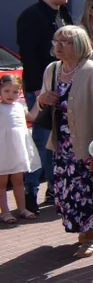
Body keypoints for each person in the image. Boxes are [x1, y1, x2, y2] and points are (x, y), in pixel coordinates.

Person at [38, 26, 93, 257]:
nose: (58, 46)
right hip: (61, 146)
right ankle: (82, 234)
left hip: (85, 146)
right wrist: (42, 99)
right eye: (56, 41)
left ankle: (91, 237)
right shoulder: (52, 69)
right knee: (66, 193)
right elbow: (39, 104)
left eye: (66, 42)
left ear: (79, 45)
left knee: (86, 193)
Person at [17, 0, 72, 214]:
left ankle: (54, 189)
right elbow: (28, 55)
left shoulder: (63, 14)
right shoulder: (31, 16)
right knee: (40, 142)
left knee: (57, 141)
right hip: (41, 89)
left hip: (63, 88)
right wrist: (39, 90)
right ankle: (30, 194)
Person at [0, 74, 41, 223]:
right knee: (2, 183)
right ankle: (5, 212)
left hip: (17, 148)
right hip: (3, 149)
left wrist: (39, 103)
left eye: (15, 91)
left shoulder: (20, 106)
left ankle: (22, 208)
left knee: (18, 180)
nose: (11, 95)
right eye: (7, 91)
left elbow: (31, 117)